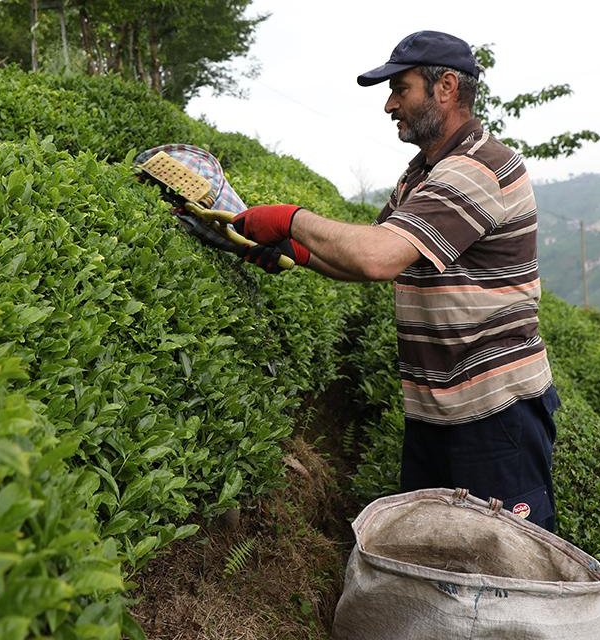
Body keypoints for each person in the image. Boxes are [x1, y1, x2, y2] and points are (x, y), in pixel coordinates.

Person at [231, 30, 562, 532]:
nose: (389, 105)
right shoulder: (423, 172)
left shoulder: (479, 168)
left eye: (400, 89)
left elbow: (378, 258)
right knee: (432, 560)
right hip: (436, 409)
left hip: (495, 415)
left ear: (446, 87)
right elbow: (381, 253)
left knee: (501, 571)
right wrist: (297, 253)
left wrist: (291, 219)